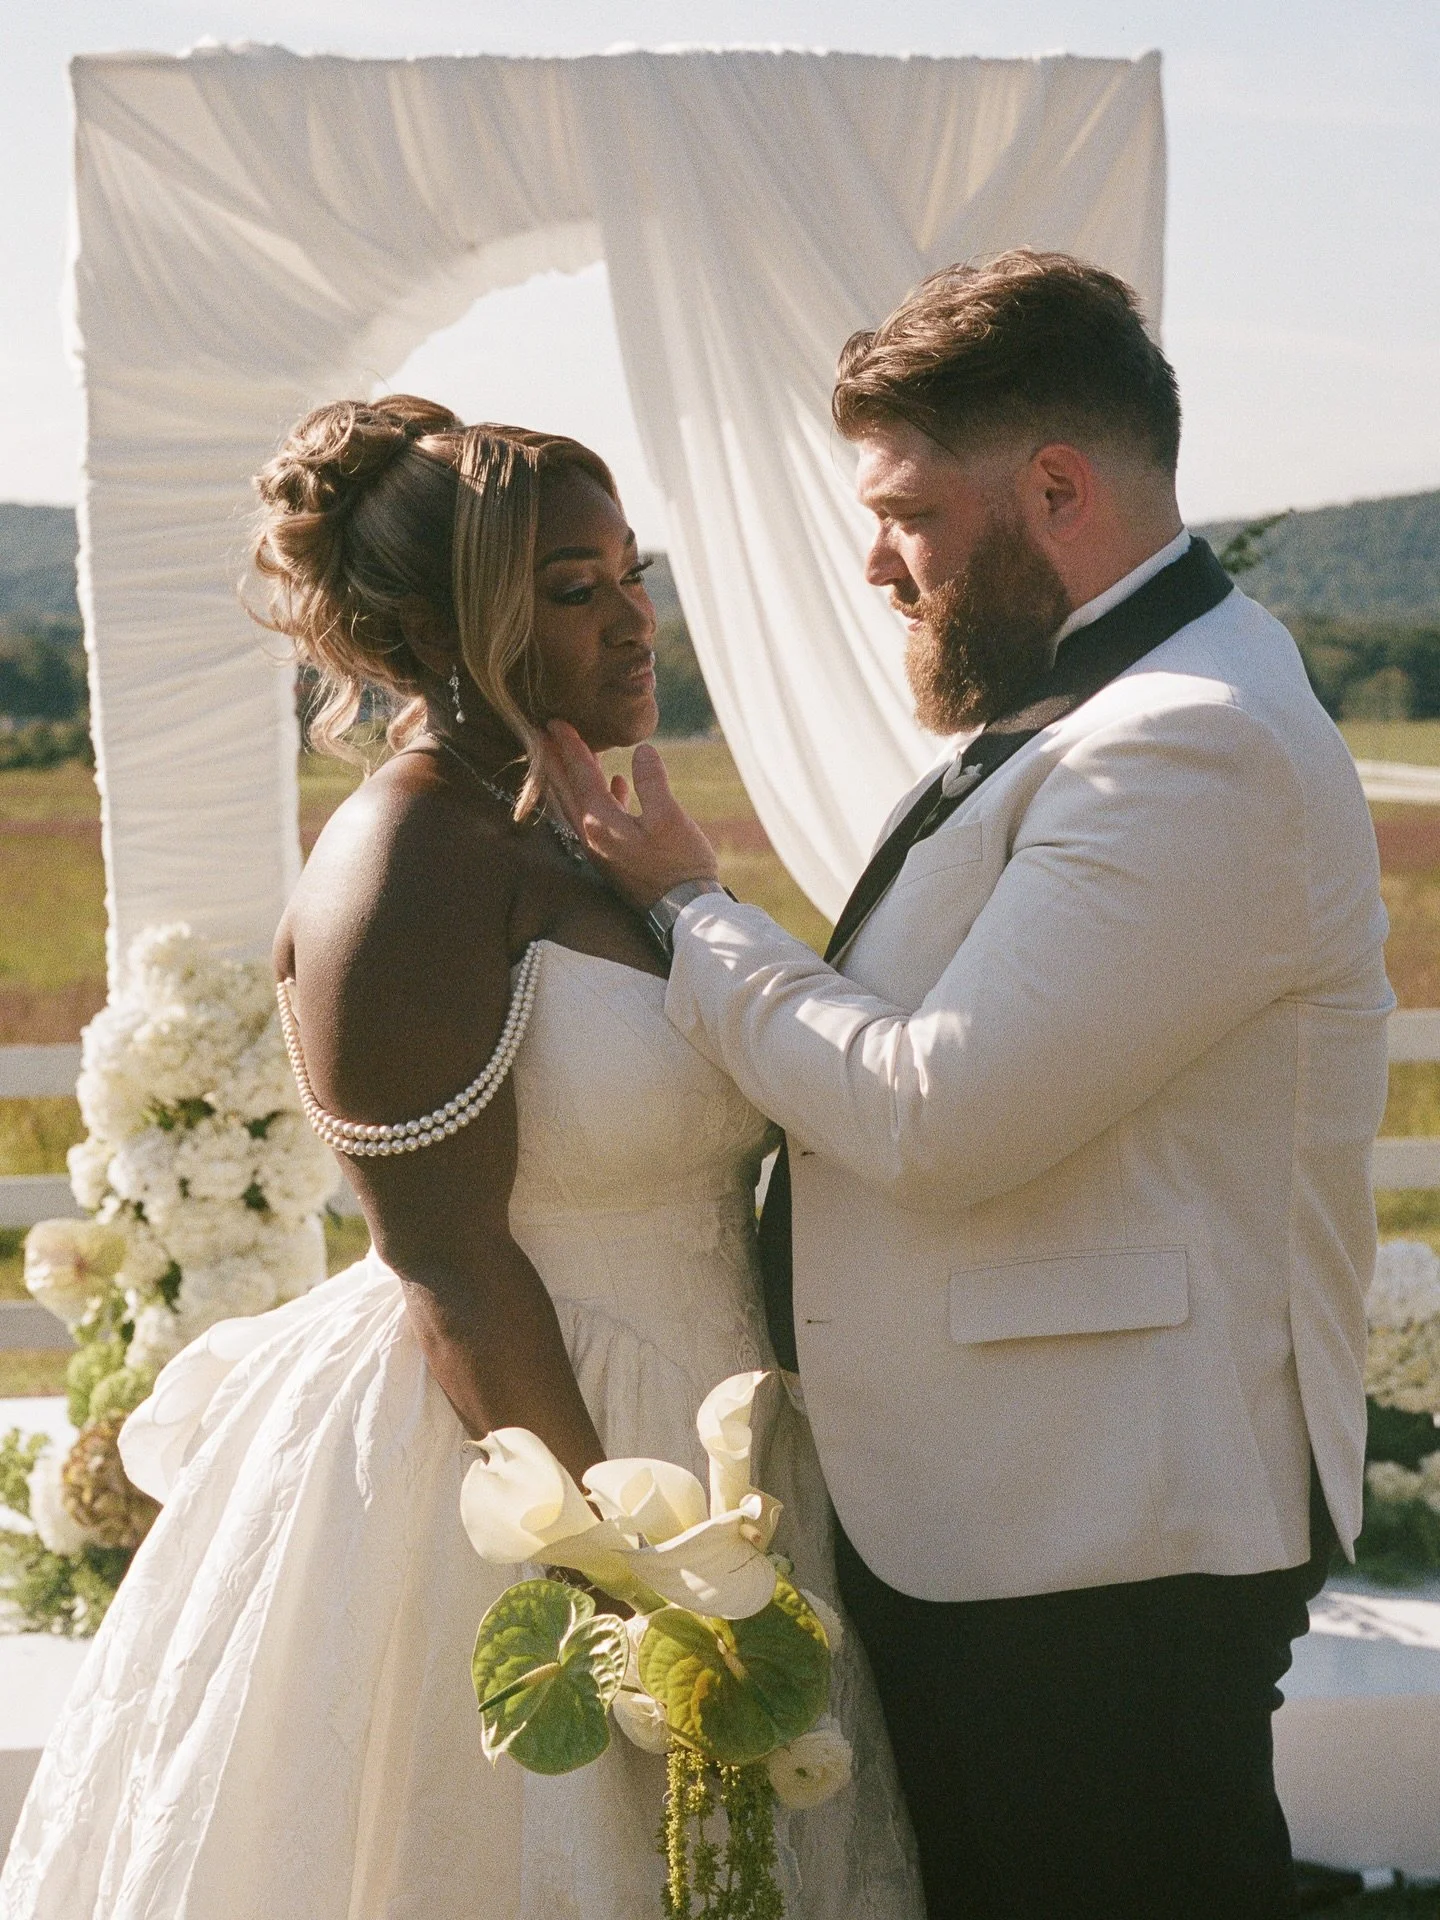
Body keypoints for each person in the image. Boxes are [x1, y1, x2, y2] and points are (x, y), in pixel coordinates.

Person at [546, 251, 1393, 1919]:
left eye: (908, 513)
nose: (874, 561)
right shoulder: (1099, 702)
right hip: (1032, 1505)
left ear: (1058, 487)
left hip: (1099, 1536)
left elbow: (936, 1110)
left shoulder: (1186, 742)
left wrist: (690, 911)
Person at [0, 399, 922, 1920]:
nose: (636, 619)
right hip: (519, 1464)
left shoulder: (577, 835)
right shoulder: (407, 859)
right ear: (440, 626)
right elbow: (451, 1264)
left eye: (632, 572)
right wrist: (626, 1580)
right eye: (576, 589)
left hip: (711, 1425)